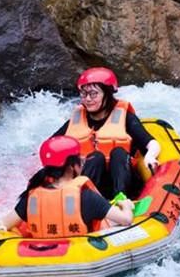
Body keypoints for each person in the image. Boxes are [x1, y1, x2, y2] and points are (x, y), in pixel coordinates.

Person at [52, 67, 161, 199]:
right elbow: (52, 145)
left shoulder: (125, 117)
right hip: (93, 185)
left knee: (118, 153)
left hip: (125, 182)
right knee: (95, 157)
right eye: (83, 93)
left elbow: (151, 143)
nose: (87, 99)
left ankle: (120, 201)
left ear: (107, 94)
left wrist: (150, 156)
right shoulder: (76, 119)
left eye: (93, 94)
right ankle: (82, 202)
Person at [0, 136, 135, 236]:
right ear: (71, 167)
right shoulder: (87, 197)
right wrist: (126, 206)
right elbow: (126, 220)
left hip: (41, 261)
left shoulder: (31, 197)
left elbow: (3, 225)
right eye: (79, 160)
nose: (82, 162)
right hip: (83, 256)